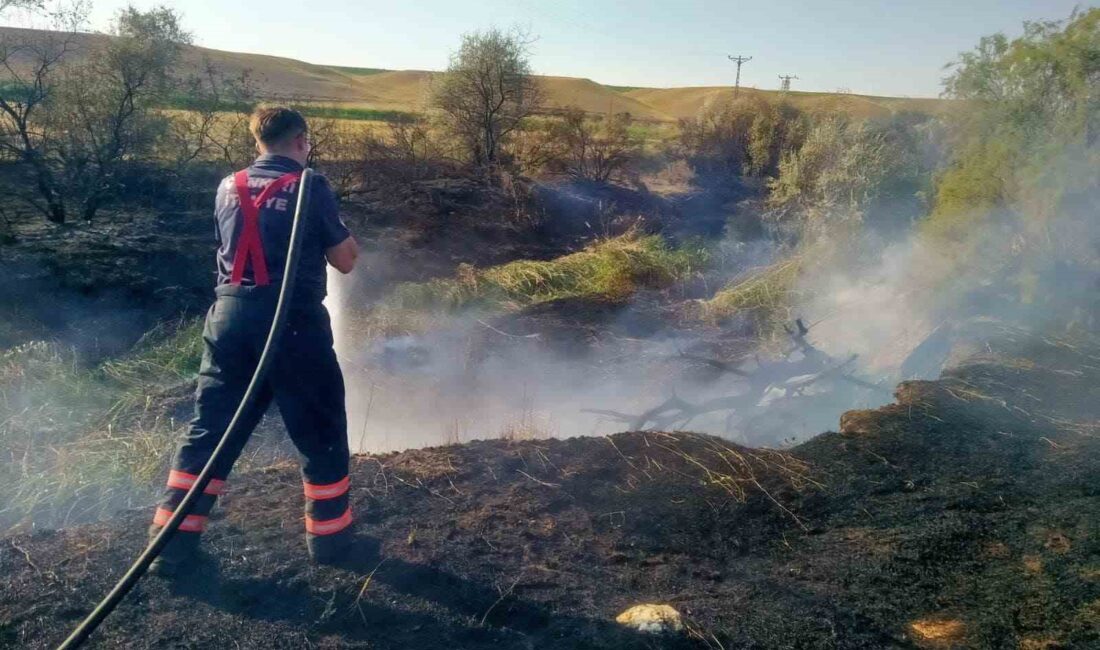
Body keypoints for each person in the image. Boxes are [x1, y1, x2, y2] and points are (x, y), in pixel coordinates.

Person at [148, 106, 360, 575]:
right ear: (301, 141)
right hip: (291, 324)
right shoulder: (311, 185)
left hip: (227, 319)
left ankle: (170, 544)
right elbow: (344, 261)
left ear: (258, 140)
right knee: (319, 428)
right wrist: (347, 238)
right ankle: (331, 543)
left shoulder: (228, 185)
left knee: (211, 429)